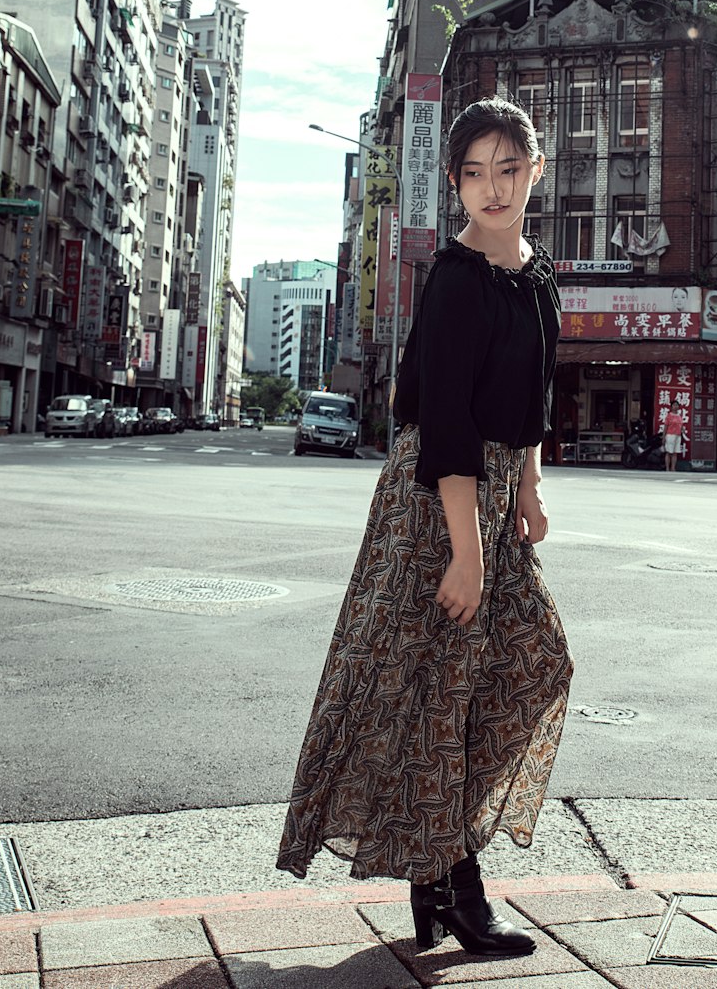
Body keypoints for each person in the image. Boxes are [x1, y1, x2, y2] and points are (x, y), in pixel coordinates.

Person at [277, 97, 573, 959]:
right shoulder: (454, 278)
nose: (493, 186)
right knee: (439, 694)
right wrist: (468, 552)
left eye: (508, 168)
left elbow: (533, 404)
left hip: (492, 499)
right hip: (434, 504)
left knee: (529, 665)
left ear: (535, 172)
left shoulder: (538, 276)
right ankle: (452, 888)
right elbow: (443, 421)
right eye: (475, 172)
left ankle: (440, 876)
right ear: (453, 184)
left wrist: (531, 488)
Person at [663, 405, 684, 471]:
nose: (676, 407)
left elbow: (681, 425)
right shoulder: (669, 416)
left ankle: (673, 468)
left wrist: (682, 430)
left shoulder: (679, 416)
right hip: (670, 435)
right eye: (674, 405)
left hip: (678, 435)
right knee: (669, 452)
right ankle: (667, 468)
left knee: (675, 452)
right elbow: (665, 427)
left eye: (677, 405)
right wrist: (664, 437)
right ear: (671, 407)